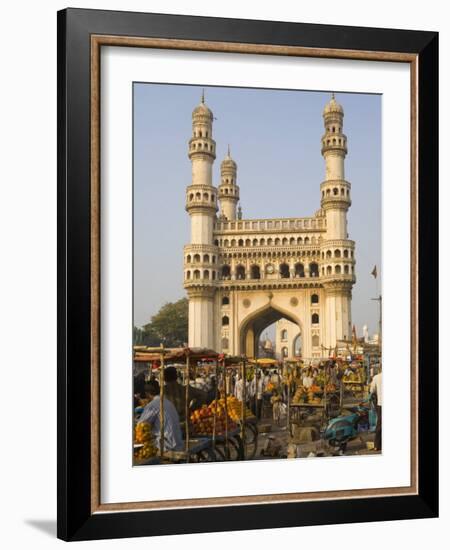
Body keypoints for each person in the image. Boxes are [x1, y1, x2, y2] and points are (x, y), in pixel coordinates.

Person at [138, 379, 183, 452]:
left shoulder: (152, 405)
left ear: (147, 394)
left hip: (167, 445)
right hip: (178, 443)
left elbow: (140, 425)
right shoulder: (167, 402)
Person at [369, 368, 382, 451]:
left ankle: (377, 445)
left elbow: (372, 390)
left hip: (381, 403)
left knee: (380, 424)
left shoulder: (377, 377)